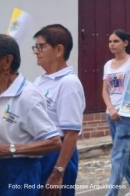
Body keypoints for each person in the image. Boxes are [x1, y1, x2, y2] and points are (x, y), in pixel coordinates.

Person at [0, 34, 62, 194]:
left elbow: (53, 142)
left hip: (19, 173)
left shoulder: (28, 96)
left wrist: (9, 149)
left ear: (7, 61)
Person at [32, 24, 86, 195]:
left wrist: (58, 172)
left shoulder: (68, 83)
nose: (36, 51)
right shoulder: (40, 81)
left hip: (57, 154)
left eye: (41, 46)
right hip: (39, 151)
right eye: (36, 47)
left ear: (59, 50)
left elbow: (71, 133)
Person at [102, 29, 130, 196]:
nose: (112, 44)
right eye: (110, 41)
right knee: (128, 153)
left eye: (116, 41)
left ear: (125, 43)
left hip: (127, 114)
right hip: (111, 114)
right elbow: (105, 91)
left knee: (119, 156)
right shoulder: (107, 65)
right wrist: (111, 109)